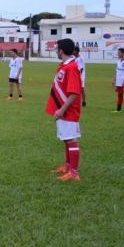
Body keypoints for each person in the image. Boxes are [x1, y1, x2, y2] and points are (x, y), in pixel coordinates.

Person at [45, 38, 83, 182]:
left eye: (57, 49)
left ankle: (74, 172)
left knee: (71, 139)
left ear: (61, 50)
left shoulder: (71, 67)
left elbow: (74, 92)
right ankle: (67, 166)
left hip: (69, 111)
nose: (56, 51)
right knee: (66, 139)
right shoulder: (64, 66)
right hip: (63, 110)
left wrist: (62, 109)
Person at [112, 48, 124, 115]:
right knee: (119, 95)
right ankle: (118, 109)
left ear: (123, 53)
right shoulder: (118, 61)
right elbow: (117, 71)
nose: (118, 54)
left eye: (119, 52)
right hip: (119, 81)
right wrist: (114, 79)